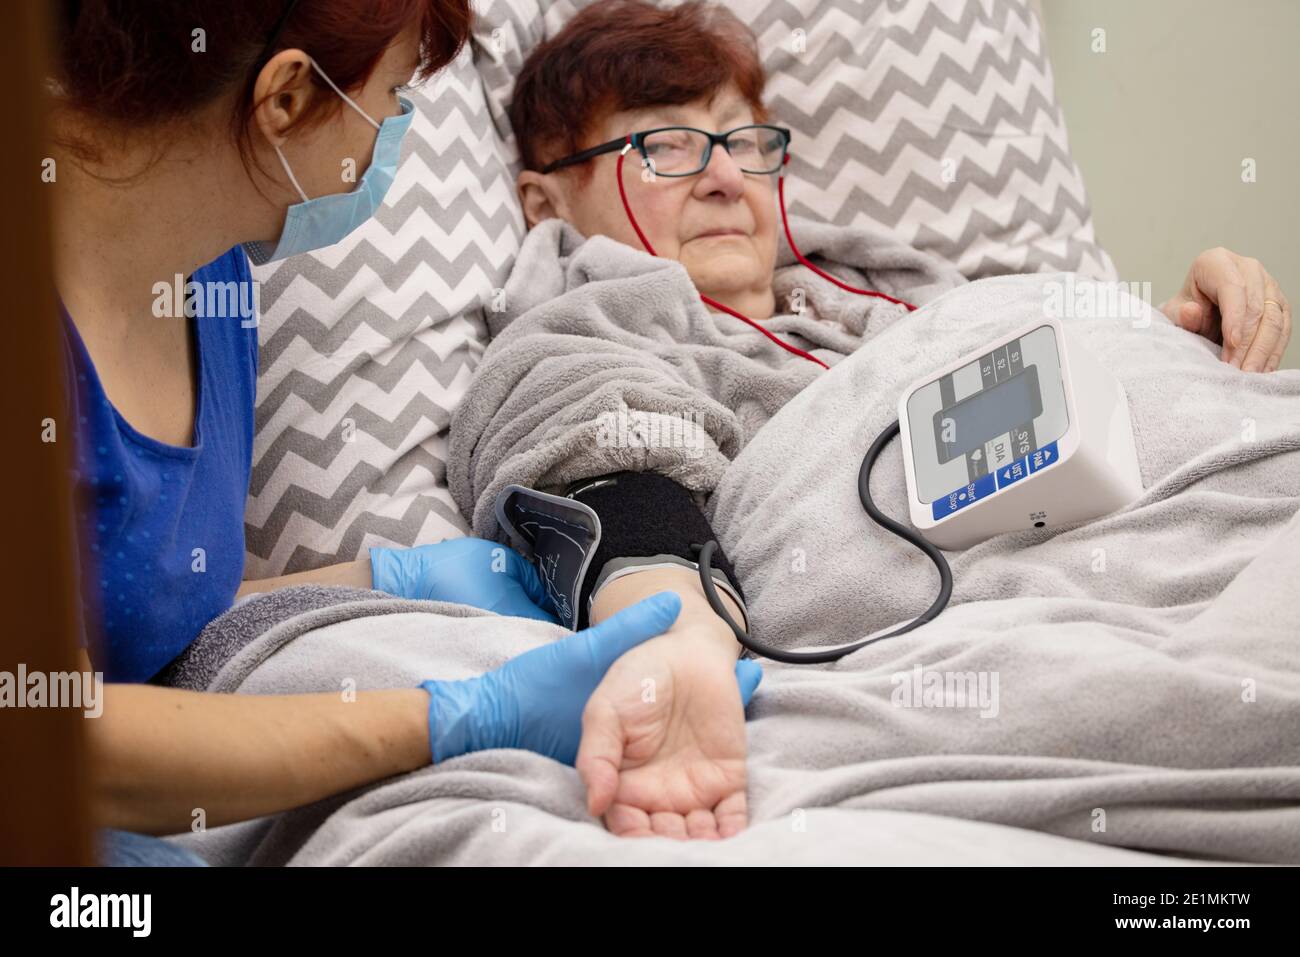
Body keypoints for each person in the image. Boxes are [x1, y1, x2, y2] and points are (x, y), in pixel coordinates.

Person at [455, 0, 1294, 840]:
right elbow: (621, 488)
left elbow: (1047, 384)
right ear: (544, 201)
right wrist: (673, 642)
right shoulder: (585, 333)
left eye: (743, 140)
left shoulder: (889, 292)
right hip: (1039, 612)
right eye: (665, 146)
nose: (725, 178)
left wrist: (1169, 335)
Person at [51, 0, 756, 862]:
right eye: (391, 96)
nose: (396, 129)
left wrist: (389, 577)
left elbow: (129, 616)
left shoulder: (209, 281)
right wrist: (463, 714)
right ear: (286, 99)